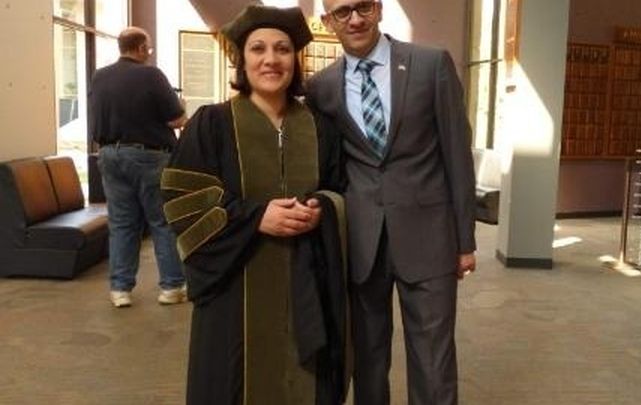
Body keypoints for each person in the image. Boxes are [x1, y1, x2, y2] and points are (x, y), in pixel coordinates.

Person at [160, 5, 350, 405]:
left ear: (294, 60)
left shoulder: (320, 127)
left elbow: (341, 190)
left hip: (305, 284)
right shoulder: (211, 124)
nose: (271, 59)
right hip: (233, 289)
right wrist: (255, 217)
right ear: (241, 60)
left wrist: (323, 207)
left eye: (282, 49)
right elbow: (182, 201)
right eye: (258, 48)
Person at [306, 1, 477, 404]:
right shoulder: (321, 88)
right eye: (342, 12)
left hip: (430, 239)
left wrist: (464, 241)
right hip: (362, 242)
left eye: (363, 6)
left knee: (433, 360)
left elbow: (457, 155)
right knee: (366, 358)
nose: (355, 19)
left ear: (379, 8)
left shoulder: (430, 65)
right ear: (328, 22)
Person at [88, 27, 187, 308]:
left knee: (121, 223)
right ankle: (171, 287)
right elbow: (177, 119)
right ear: (142, 48)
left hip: (109, 155)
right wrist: (180, 105)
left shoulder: (99, 76)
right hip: (148, 157)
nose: (149, 53)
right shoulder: (151, 75)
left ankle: (120, 290)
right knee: (162, 222)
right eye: (149, 49)